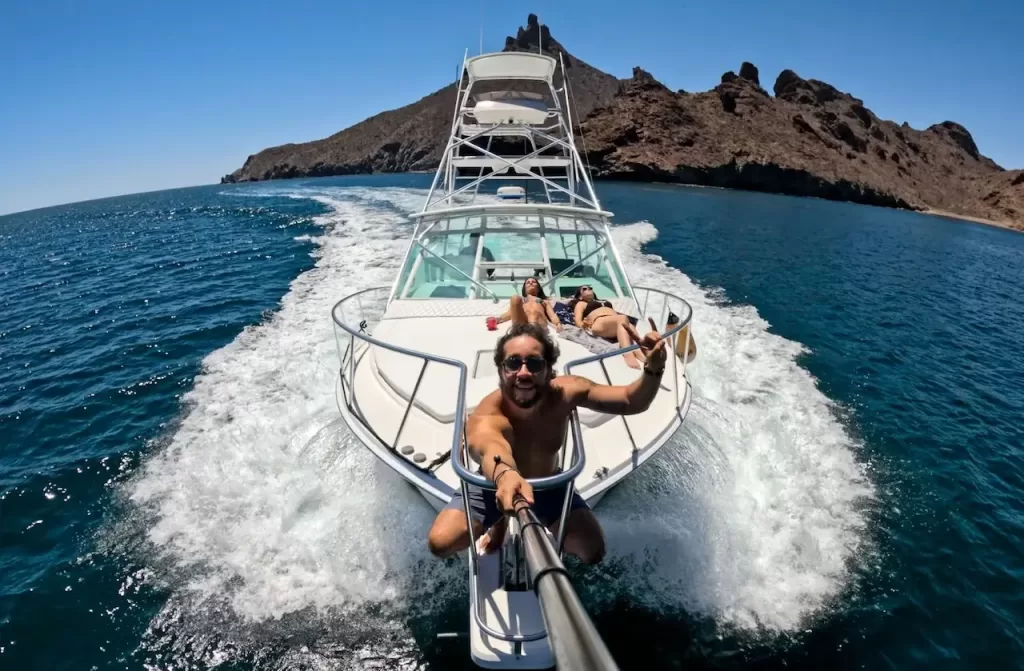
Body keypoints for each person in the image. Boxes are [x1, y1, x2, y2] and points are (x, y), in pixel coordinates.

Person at [426, 320, 668, 564]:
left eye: (534, 363)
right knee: (441, 541)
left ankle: (531, 522)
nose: (523, 372)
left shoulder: (567, 392)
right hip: (493, 485)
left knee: (593, 550)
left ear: (549, 369)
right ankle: (499, 521)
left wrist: (654, 368)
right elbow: (491, 447)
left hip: (550, 486)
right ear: (501, 370)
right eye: (513, 363)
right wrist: (505, 476)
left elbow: (630, 400)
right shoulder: (488, 413)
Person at [570, 285, 645, 369]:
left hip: (613, 322)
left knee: (630, 325)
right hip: (598, 322)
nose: (589, 289)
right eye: (584, 289)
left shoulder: (604, 301)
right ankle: (627, 353)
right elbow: (578, 321)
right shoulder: (581, 304)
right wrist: (583, 324)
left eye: (590, 288)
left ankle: (638, 349)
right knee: (623, 318)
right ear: (580, 296)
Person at [492, 277, 562, 332]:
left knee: (534, 314)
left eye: (533, 282)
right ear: (524, 289)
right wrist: (498, 319)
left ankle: (533, 331)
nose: (531, 283)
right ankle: (523, 331)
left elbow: (552, 315)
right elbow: (509, 314)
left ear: (538, 288)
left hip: (539, 325)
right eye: (528, 283)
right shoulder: (521, 300)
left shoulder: (544, 301)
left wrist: (557, 323)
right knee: (515, 298)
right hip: (521, 325)